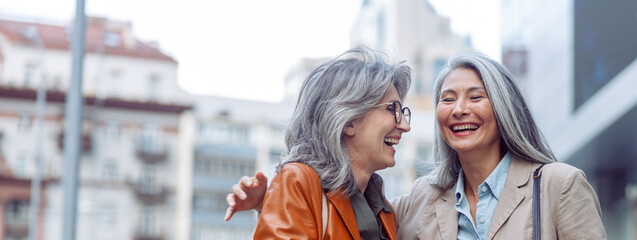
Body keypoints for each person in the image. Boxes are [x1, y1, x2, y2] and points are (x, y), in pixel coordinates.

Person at [226, 50, 606, 239]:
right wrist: (275, 198)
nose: (459, 110)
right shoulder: (417, 204)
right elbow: (317, 208)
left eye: (475, 97)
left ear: (504, 108)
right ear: (347, 120)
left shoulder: (559, 186)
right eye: (447, 99)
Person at [246, 47, 412, 239]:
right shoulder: (297, 181)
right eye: (392, 109)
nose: (405, 126)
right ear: (349, 121)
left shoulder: (384, 211)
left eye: (402, 112)